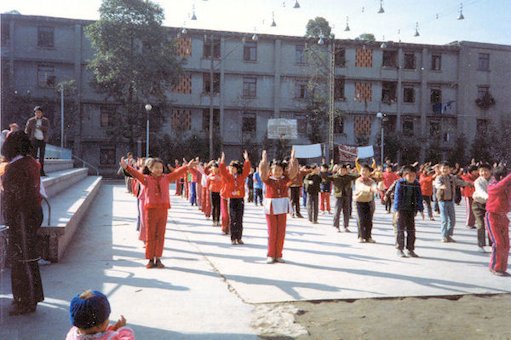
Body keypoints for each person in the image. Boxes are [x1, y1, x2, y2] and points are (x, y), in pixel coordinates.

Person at [120, 156, 196, 268]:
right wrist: (126, 167)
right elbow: (136, 174)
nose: (159, 170)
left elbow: (177, 173)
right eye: (156, 167)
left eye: (160, 167)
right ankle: (150, 259)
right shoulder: (146, 179)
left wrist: (187, 167)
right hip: (150, 210)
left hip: (163, 210)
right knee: (150, 235)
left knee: (160, 235)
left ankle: (158, 258)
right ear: (150, 168)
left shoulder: (166, 178)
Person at [1, 131, 45, 315]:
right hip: (33, 213)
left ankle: (25, 301)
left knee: (22, 259)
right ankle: (32, 297)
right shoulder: (32, 163)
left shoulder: (14, 168)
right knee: (29, 258)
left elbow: (12, 198)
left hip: (21, 217)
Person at [259, 149, 298, 263]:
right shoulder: (268, 180)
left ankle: (278, 254)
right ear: (271, 171)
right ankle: (271, 254)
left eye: (280, 170)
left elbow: (293, 172)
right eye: (275, 170)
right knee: (272, 232)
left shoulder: (285, 179)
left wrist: (293, 159)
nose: (277, 172)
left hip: (282, 206)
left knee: (281, 232)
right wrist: (264, 160)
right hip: (271, 207)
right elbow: (262, 173)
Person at [66, 290, 134, 339]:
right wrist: (123, 330)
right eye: (107, 318)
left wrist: (113, 329)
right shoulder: (112, 338)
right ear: (99, 326)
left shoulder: (72, 334)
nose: (108, 321)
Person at [434, 161, 472, 243]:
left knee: (453, 220)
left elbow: (460, 182)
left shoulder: (452, 177)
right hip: (442, 201)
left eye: (447, 168)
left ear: (449, 169)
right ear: (440, 169)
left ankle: (448, 235)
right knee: (444, 220)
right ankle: (443, 236)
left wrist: (468, 184)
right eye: (443, 168)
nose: (445, 170)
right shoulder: (439, 178)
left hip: (450, 201)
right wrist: (441, 186)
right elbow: (437, 184)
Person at [219, 151, 251, 245]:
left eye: (233, 168)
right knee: (233, 219)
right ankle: (233, 238)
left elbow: (247, 169)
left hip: (240, 200)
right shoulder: (228, 177)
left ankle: (239, 238)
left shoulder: (241, 176)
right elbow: (222, 171)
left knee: (239, 219)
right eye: (230, 168)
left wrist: (246, 159)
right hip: (232, 200)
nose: (231, 169)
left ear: (237, 169)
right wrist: (222, 160)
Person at [393, 165, 425, 257]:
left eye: (413, 175)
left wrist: (421, 210)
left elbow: (419, 198)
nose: (411, 177)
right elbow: (397, 197)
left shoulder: (416, 184)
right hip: (401, 210)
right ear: (404, 175)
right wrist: (397, 210)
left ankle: (410, 249)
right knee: (400, 230)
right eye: (409, 175)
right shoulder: (400, 183)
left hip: (411, 210)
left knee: (411, 231)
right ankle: (399, 249)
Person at [485, 166, 511, 276]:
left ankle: (501, 268)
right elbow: (499, 187)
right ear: (501, 177)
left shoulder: (507, 187)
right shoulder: (492, 186)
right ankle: (494, 267)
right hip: (492, 217)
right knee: (498, 243)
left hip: (503, 217)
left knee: (506, 244)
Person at [322, 164, 358, 232]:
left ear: (346, 171)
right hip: (338, 196)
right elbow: (326, 177)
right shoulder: (335, 177)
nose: (342, 171)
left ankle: (345, 226)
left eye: (344, 170)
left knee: (346, 212)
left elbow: (357, 175)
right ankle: (336, 226)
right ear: (338, 170)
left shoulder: (348, 177)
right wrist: (323, 171)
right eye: (340, 170)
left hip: (346, 196)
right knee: (337, 211)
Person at [354, 164, 378, 243]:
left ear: (369, 173)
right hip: (359, 202)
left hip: (368, 202)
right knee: (361, 219)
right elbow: (361, 187)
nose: (364, 172)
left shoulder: (372, 181)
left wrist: (375, 189)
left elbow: (374, 186)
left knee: (369, 220)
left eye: (366, 171)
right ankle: (360, 236)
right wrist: (370, 189)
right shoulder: (358, 180)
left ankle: (368, 237)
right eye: (362, 170)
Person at [472, 163, 492, 252]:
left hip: (490, 205)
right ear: (479, 172)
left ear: (490, 171)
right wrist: (488, 197)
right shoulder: (478, 181)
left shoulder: (493, 180)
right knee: (480, 224)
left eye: (486, 170)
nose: (484, 173)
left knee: (491, 225)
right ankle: (481, 245)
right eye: (481, 171)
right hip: (478, 204)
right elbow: (480, 191)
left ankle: (492, 244)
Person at [25, 106, 50, 176]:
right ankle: (33, 171)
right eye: (36, 112)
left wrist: (40, 127)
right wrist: (28, 139)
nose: (38, 114)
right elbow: (27, 130)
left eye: (39, 112)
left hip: (43, 140)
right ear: (35, 113)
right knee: (33, 156)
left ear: (42, 113)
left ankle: (41, 171)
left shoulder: (45, 120)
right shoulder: (31, 120)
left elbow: (47, 129)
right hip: (34, 140)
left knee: (42, 157)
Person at [207, 162, 223, 226]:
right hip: (212, 191)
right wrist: (209, 189)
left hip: (219, 192)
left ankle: (218, 220)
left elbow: (224, 183)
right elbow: (207, 184)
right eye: (214, 168)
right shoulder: (210, 176)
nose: (215, 170)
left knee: (218, 206)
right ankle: (214, 220)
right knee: (213, 206)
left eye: (216, 168)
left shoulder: (221, 175)